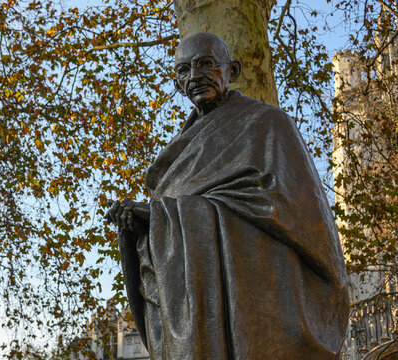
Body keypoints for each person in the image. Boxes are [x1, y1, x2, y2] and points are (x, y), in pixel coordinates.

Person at [106, 32, 349, 360]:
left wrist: (166, 214)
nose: (195, 77)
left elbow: (294, 212)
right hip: (191, 311)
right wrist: (143, 223)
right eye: (183, 70)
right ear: (178, 85)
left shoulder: (268, 125)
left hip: (254, 308)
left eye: (205, 64)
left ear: (232, 70)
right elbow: (166, 238)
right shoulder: (173, 158)